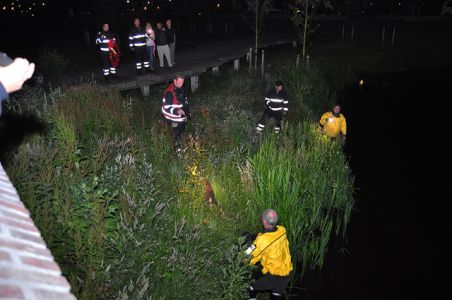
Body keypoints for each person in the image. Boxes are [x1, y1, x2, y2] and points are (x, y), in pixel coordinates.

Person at [245, 209, 293, 300]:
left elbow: (250, 257)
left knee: (250, 285)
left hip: (275, 276)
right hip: (288, 272)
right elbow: (269, 236)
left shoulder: (261, 241)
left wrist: (241, 255)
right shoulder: (282, 230)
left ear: (263, 222)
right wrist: (253, 236)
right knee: (276, 294)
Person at [161, 74, 190, 153]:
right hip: (174, 121)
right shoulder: (169, 92)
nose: (181, 84)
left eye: (182, 82)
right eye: (179, 82)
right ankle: (176, 155)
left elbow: (184, 103)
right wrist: (177, 111)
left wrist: (187, 113)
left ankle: (181, 152)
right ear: (174, 81)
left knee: (181, 137)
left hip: (182, 120)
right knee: (175, 139)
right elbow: (165, 108)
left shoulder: (181, 89)